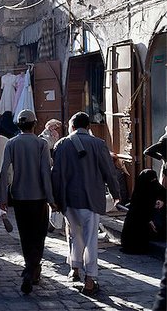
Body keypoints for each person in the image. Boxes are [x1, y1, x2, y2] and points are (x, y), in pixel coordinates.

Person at [52, 111, 120, 296]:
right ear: (88, 127)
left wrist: (56, 200)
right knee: (90, 239)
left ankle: (74, 269)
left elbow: (56, 174)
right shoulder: (98, 144)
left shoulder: (62, 144)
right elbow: (109, 171)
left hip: (69, 199)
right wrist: (115, 193)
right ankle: (90, 279)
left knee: (74, 235)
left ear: (72, 126)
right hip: (91, 198)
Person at [0, 109, 55, 294]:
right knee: (39, 235)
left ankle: (31, 268)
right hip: (38, 197)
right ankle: (31, 270)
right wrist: (51, 199)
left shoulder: (12, 143)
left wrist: (2, 198)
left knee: (25, 235)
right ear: (35, 123)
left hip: (19, 196)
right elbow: (46, 172)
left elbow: (4, 170)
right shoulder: (41, 144)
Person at [121, 169, 166, 254]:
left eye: (154, 180)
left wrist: (161, 201)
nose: (153, 182)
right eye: (151, 180)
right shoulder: (139, 193)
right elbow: (139, 210)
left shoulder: (157, 187)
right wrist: (148, 220)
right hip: (142, 224)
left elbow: (163, 193)